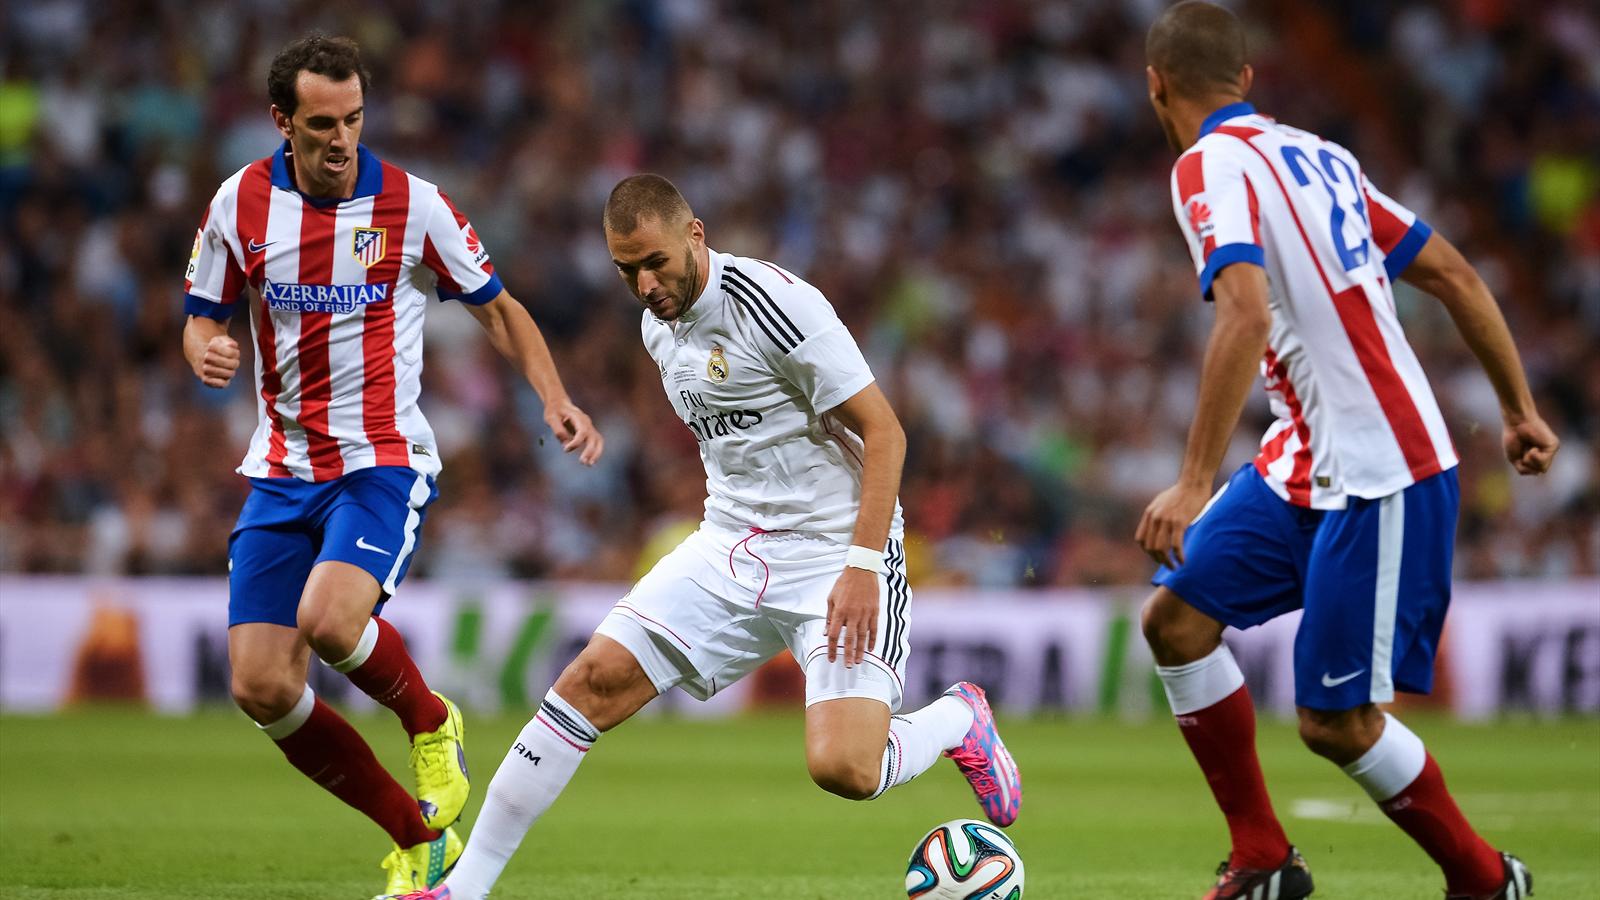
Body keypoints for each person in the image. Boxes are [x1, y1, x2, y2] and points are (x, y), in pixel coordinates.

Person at [391, 173, 1022, 900]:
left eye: (656, 261)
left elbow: (885, 432)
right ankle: (461, 890)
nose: (645, 284)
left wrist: (861, 565)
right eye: (627, 270)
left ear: (696, 234)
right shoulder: (655, 327)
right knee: (587, 683)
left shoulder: (775, 304)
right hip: (730, 543)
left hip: (834, 552)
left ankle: (954, 718)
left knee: (845, 769)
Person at [1134, 4, 1559, 899]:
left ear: (1155, 83)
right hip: (1306, 455)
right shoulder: (1322, 155)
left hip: (1381, 465)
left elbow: (1243, 313)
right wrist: (1518, 409)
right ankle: (1262, 860)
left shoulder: (1203, 165)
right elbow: (1452, 272)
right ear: (1247, 80)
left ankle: (1488, 882)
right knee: (1175, 623)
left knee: (1334, 721)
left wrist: (1192, 482)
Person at [180, 34, 604, 899]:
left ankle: (430, 718)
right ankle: (419, 841)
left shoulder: (413, 205)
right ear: (282, 122)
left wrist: (553, 397)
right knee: (261, 685)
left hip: (381, 461)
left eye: (355, 119)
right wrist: (205, 348)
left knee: (332, 622)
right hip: (282, 468)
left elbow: (500, 308)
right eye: (323, 123)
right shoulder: (240, 203)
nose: (342, 139)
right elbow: (201, 313)